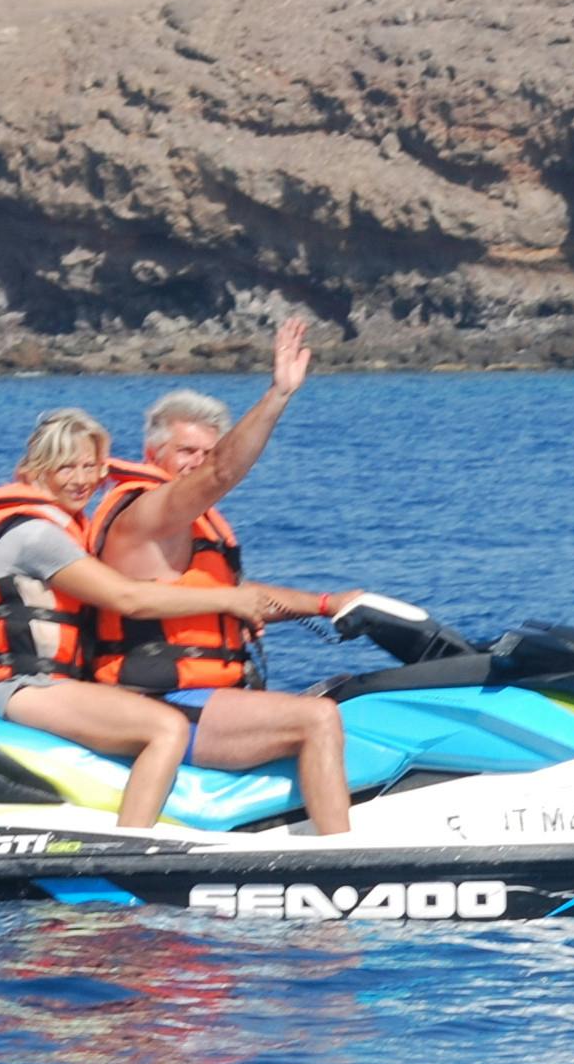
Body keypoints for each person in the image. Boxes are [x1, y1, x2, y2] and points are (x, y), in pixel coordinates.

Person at [0, 404, 353, 833]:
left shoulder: (64, 528)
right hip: (28, 687)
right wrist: (228, 600)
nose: (82, 479)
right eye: (66, 467)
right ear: (37, 468)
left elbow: (189, 594)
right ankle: (130, 846)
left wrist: (326, 604)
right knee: (166, 728)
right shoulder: (37, 535)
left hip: (58, 687)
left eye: (91, 466)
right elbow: (128, 599)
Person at [82, 319, 364, 835]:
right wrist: (279, 394)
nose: (199, 464)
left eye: (207, 452)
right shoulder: (145, 513)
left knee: (351, 696)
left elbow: (236, 598)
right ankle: (343, 860)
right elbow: (223, 475)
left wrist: (329, 603)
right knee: (316, 718)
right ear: (153, 456)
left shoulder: (191, 526)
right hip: (159, 702)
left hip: (204, 698)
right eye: (186, 452)